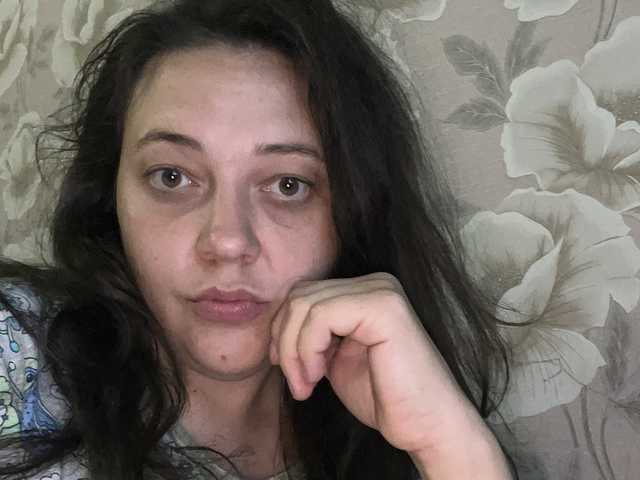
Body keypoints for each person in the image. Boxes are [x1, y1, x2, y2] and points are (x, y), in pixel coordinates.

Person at [0, 0, 516, 479]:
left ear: (355, 211)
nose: (227, 242)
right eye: (172, 177)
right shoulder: (15, 352)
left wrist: (452, 446)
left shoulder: (396, 437)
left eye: (288, 185)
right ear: (110, 195)